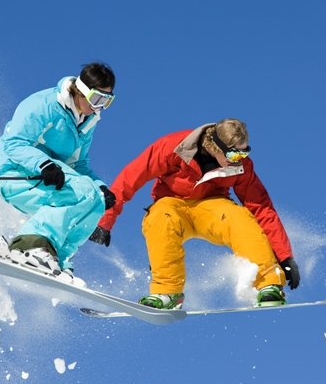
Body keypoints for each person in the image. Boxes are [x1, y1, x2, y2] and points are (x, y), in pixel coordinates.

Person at [88, 118, 300, 309]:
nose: (239, 159)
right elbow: (130, 179)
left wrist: (284, 256)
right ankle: (167, 293)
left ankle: (269, 285)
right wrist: (105, 221)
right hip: (173, 205)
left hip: (212, 206)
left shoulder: (241, 166)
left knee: (239, 218)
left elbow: (261, 206)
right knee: (160, 217)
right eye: (235, 154)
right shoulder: (173, 147)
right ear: (215, 146)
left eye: (244, 153)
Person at [0, 62, 117, 282]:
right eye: (97, 99)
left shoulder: (88, 122)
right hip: (16, 172)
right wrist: (43, 165)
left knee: (95, 200)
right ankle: (28, 245)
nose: (100, 107)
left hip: (52, 177)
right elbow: (14, 143)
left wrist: (101, 187)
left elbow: (78, 164)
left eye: (107, 101)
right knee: (81, 192)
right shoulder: (44, 104)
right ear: (81, 91)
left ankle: (56, 257)